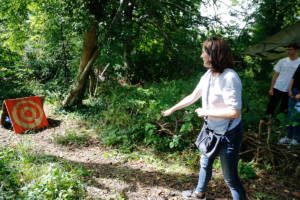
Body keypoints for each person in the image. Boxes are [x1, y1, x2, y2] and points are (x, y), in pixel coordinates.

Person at [162, 37, 246, 200]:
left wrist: (206, 111)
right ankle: (199, 194)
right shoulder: (208, 75)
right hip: (211, 130)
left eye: (204, 52)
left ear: (214, 54)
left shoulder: (230, 77)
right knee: (205, 162)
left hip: (229, 134)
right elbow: (193, 96)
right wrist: (172, 109)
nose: (201, 56)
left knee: (230, 179)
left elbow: (234, 112)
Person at [265, 43, 300, 120]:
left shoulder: (299, 62)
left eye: (290, 49)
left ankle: (279, 126)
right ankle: (266, 122)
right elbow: (275, 75)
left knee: (284, 109)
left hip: (290, 89)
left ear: (296, 50)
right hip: (278, 86)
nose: (288, 51)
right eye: (287, 49)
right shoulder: (282, 61)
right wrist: (271, 88)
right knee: (271, 105)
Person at [279, 63, 300, 145]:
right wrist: (290, 89)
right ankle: (288, 137)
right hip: (294, 91)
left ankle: (295, 139)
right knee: (290, 115)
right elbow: (293, 78)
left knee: (296, 116)